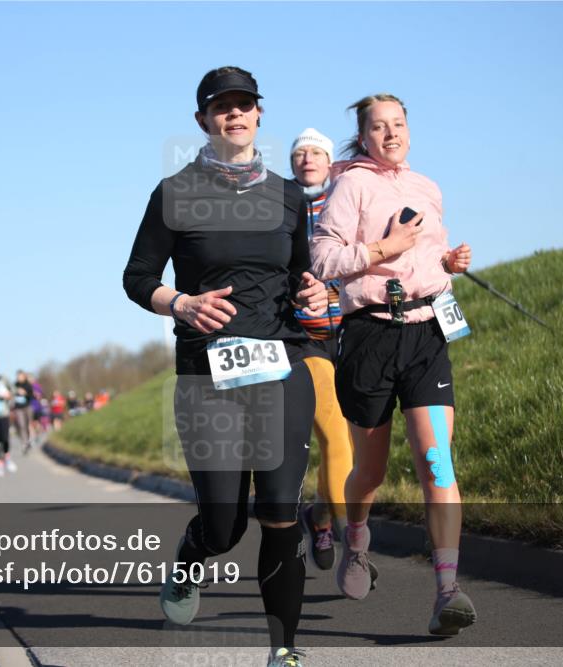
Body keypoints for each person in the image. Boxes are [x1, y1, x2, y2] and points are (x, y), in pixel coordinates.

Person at [123, 66, 327, 667]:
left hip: (281, 364)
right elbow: (137, 279)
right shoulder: (174, 193)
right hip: (206, 377)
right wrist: (181, 303)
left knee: (281, 513)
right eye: (221, 107)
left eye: (244, 105)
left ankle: (284, 651)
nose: (234, 115)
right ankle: (194, 553)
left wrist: (312, 293)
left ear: (260, 114)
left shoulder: (289, 196)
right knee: (225, 524)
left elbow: (299, 274)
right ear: (202, 121)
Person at [310, 93, 475, 636]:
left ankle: (448, 590)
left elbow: (430, 257)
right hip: (370, 336)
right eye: (378, 127)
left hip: (427, 331)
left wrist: (447, 264)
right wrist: (384, 248)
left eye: (398, 124)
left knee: (437, 462)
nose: (391, 134)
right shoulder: (351, 184)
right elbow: (324, 258)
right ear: (363, 136)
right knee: (371, 471)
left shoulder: (427, 186)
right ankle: (356, 536)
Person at [289, 128, 354, 571]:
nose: (306, 157)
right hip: (305, 340)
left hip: (354, 334)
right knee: (332, 438)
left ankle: (321, 517)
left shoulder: (349, 202)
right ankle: (356, 540)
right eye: (299, 152)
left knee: (350, 444)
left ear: (330, 160)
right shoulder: (279, 207)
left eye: (315, 151)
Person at [12, 370, 33, 453]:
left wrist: (25, 393)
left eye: (20, 376)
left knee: (28, 424)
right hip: (18, 408)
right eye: (17, 376)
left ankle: (29, 439)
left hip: (27, 407)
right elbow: (11, 394)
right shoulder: (15, 385)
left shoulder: (28, 385)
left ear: (24, 376)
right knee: (21, 425)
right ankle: (24, 442)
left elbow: (31, 396)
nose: (18, 378)